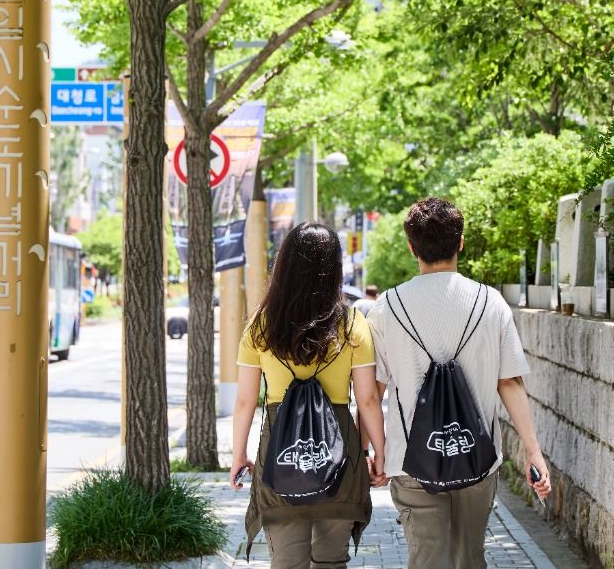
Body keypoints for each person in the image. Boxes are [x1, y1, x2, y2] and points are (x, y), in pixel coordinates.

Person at [366, 197, 552, 569]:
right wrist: (533, 451)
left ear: (411, 246)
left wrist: (374, 452)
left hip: (410, 460)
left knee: (426, 559)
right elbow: (510, 384)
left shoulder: (387, 307)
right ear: (461, 242)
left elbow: (373, 394)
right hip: (476, 458)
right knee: (469, 558)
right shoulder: (491, 303)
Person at [231, 222, 388, 569]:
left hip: (280, 457)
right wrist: (380, 453)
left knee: (287, 562)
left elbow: (245, 401)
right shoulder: (351, 324)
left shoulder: (261, 326)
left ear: (284, 266)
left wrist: (239, 455)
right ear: (334, 269)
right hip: (340, 458)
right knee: (332, 562)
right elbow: (368, 402)